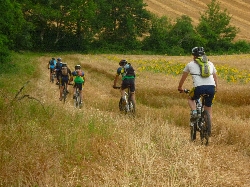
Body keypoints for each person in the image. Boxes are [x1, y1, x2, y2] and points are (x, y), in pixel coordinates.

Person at [178, 47, 218, 122]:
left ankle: (194, 112)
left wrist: (180, 87)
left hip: (199, 88)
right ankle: (208, 126)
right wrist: (216, 88)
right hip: (211, 88)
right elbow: (215, 77)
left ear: (194, 56)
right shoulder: (210, 63)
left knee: (190, 99)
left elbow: (183, 78)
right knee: (208, 108)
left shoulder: (190, 64)